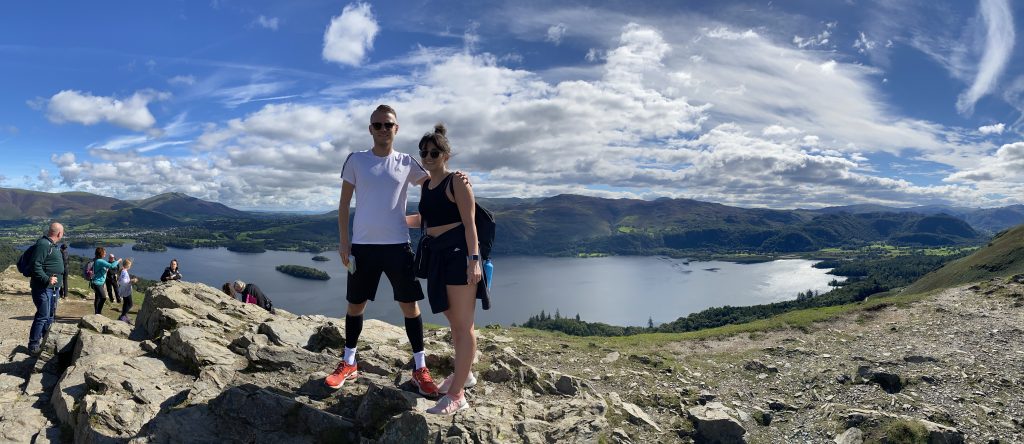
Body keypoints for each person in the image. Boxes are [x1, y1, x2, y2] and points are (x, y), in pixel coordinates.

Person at [326, 104, 469, 396]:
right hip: (363, 247)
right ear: (370, 129)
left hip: (398, 246)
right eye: (377, 125)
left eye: (387, 125)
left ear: (396, 128)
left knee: (410, 306)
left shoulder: (406, 162)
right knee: (356, 305)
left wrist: (457, 177)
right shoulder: (356, 160)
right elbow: (343, 205)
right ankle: (349, 362)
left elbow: (436, 181)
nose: (382, 129)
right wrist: (344, 241)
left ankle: (420, 368)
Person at [410, 124, 488, 415]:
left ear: (446, 154)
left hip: (458, 254)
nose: (428, 157)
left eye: (434, 152)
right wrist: (395, 220)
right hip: (437, 255)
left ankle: (457, 396)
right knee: (454, 319)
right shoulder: (427, 184)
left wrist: (474, 260)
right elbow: (427, 220)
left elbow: (470, 224)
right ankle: (464, 373)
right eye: (424, 153)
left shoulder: (458, 181)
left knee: (462, 325)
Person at [26, 222, 64, 355]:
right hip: (43, 287)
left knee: (49, 317)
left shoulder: (51, 245)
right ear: (59, 233)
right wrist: (47, 279)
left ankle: (45, 342)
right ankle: (33, 345)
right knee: (43, 316)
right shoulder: (43, 244)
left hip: (52, 288)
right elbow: (35, 265)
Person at [89, 247, 121, 315]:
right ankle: (98, 313)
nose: (105, 253)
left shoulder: (98, 260)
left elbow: (103, 268)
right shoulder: (100, 261)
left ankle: (96, 313)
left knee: (97, 298)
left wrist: (105, 270)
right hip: (97, 283)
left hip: (98, 282)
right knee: (103, 298)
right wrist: (118, 261)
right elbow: (112, 266)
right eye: (104, 252)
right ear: (101, 253)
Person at [117, 258, 139, 324]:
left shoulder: (123, 270)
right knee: (130, 304)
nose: (131, 266)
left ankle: (124, 315)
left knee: (126, 303)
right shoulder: (124, 272)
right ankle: (122, 316)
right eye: (130, 265)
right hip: (125, 291)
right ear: (128, 265)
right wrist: (132, 281)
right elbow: (124, 282)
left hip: (124, 290)